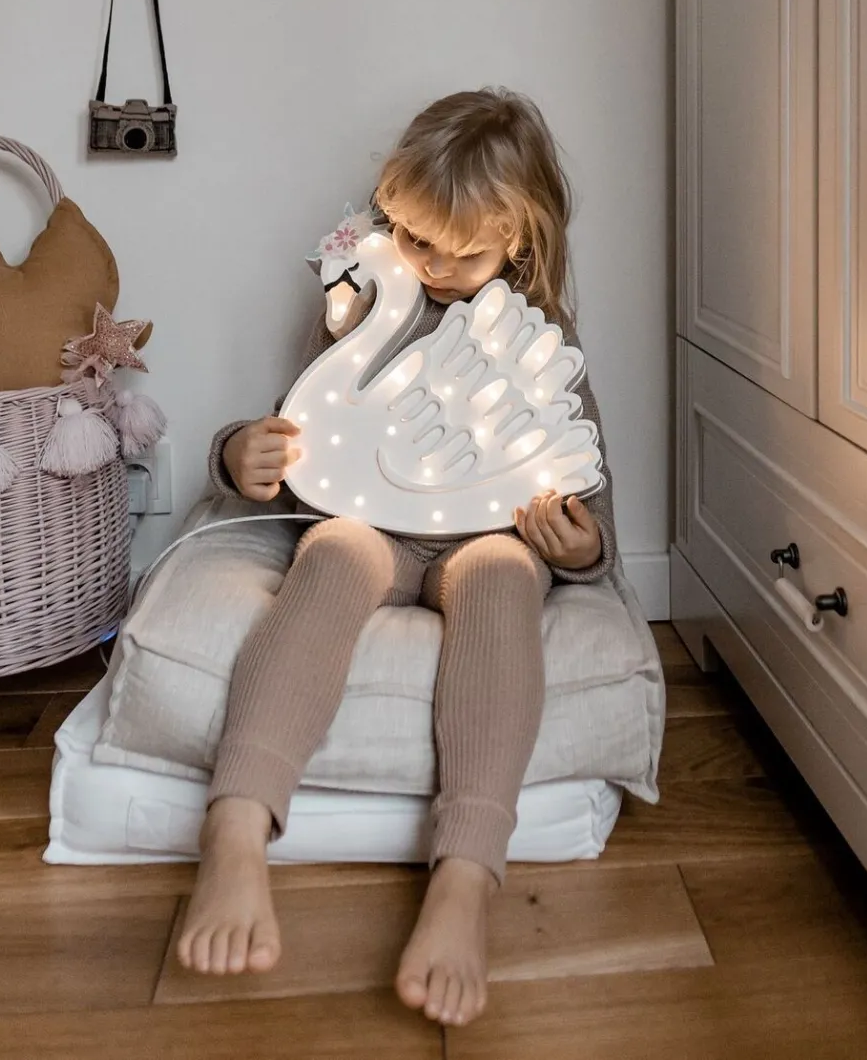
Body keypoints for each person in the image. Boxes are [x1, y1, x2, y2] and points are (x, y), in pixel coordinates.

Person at [176, 88, 616, 1027]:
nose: (437, 267)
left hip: (487, 537)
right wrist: (239, 456)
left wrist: (579, 545)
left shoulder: (541, 339)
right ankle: (236, 826)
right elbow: (300, 440)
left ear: (518, 243)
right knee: (331, 555)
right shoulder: (360, 307)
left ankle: (466, 875)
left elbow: (591, 508)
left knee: (501, 584)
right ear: (388, 216)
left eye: (467, 252)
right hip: (370, 527)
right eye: (416, 241)